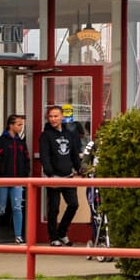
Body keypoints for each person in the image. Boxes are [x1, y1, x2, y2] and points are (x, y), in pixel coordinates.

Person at [39, 104, 82, 246]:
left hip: (68, 176)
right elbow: (44, 157)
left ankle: (62, 232)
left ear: (62, 117)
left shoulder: (70, 135)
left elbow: (74, 154)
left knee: (74, 205)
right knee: (54, 208)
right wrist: (50, 174)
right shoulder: (45, 135)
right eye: (50, 116)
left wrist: (80, 169)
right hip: (53, 177)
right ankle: (53, 238)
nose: (53, 119)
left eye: (56, 116)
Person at [0, 113, 29, 243]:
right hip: (2, 180)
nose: (21, 127)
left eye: (22, 124)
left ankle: (18, 235)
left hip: (18, 180)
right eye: (19, 124)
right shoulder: (0, 142)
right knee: (0, 208)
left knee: (17, 208)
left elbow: (26, 160)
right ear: (11, 125)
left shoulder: (21, 143)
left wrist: (25, 175)